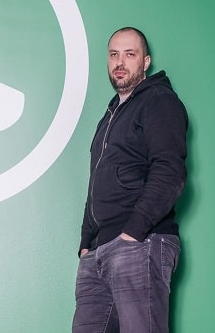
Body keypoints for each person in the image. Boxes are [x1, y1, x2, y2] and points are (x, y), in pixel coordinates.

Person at [72, 28, 188, 333]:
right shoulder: (110, 115)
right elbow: (96, 183)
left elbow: (170, 171)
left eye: (130, 54)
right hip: (98, 252)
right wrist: (86, 243)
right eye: (114, 55)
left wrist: (133, 232)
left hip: (140, 243)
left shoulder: (159, 101)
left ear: (145, 61)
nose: (120, 62)